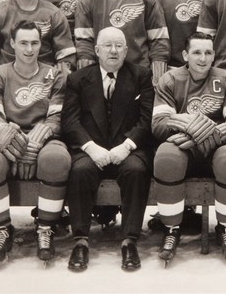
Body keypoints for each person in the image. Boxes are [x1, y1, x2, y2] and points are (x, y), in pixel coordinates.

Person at [0, 20, 70, 268]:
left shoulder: (54, 74)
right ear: (13, 44)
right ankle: (2, 229)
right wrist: (14, 142)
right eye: (24, 43)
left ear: (41, 45)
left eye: (35, 43)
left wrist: (35, 143)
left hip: (44, 137)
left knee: (57, 159)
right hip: (8, 137)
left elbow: (57, 117)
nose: (29, 49)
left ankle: (46, 227)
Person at [61, 27, 154, 272]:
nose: (113, 51)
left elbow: (147, 120)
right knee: (80, 170)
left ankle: (129, 241)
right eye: (108, 46)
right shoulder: (78, 79)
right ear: (97, 50)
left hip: (128, 148)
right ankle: (80, 241)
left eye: (118, 46)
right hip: (91, 148)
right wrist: (91, 148)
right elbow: (70, 121)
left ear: (126, 50)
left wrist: (127, 146)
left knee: (136, 170)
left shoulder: (141, 76)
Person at [151, 32, 226, 265]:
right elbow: (159, 125)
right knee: (166, 158)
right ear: (185, 55)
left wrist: (205, 133)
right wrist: (194, 131)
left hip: (217, 144)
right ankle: (172, 229)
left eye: (208, 52)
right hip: (184, 144)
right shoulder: (170, 80)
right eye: (197, 52)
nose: (203, 58)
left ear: (214, 54)